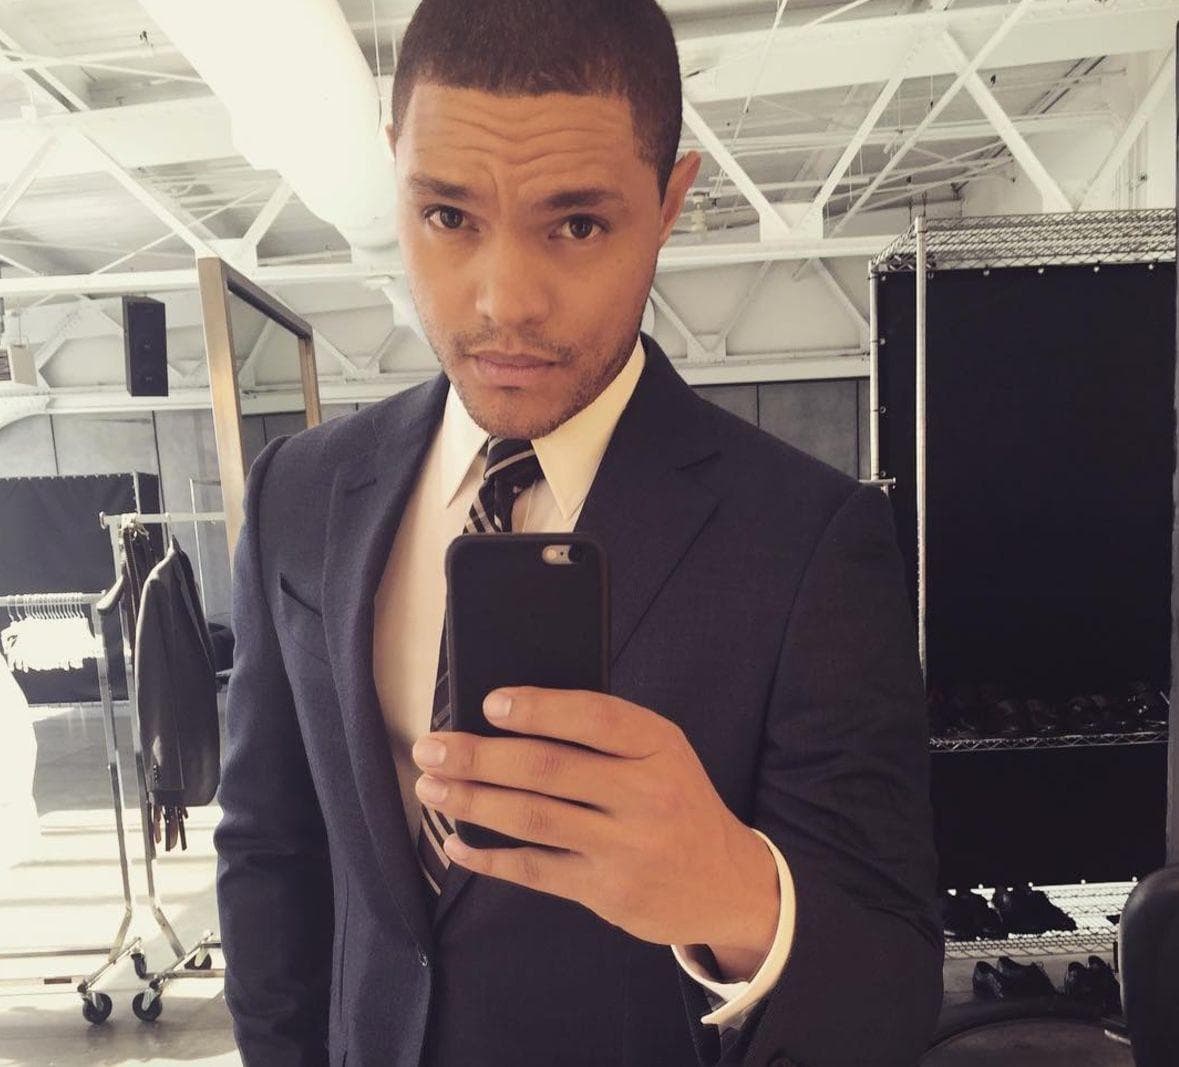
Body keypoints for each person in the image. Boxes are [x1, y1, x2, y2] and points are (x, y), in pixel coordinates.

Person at [213, 1, 943, 1064]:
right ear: (397, 170)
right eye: (448, 215)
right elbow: (268, 849)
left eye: (578, 225)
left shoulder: (809, 541)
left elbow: (891, 982)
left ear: (670, 201)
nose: (505, 301)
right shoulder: (302, 491)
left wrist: (737, 896)